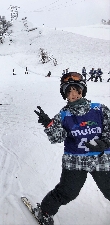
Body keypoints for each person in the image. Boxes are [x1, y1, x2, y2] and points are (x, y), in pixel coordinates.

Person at [33, 72, 110, 225]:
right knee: (68, 192)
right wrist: (49, 124)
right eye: (69, 91)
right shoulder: (63, 114)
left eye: (76, 90)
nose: (73, 94)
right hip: (75, 161)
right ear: (65, 95)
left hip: (101, 160)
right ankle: (45, 211)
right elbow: (57, 138)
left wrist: (105, 142)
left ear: (83, 90)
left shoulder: (100, 110)